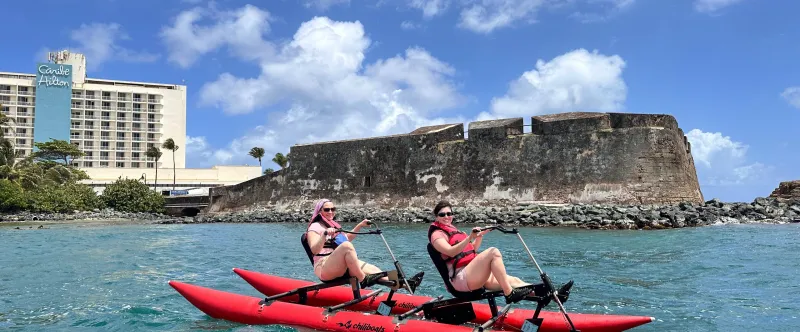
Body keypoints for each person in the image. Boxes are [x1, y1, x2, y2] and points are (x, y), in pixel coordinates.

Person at [428, 200, 573, 304]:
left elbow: (472, 250)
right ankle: (509, 294)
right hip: (461, 279)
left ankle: (554, 296)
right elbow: (451, 252)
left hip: (472, 273)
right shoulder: (437, 234)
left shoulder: (455, 230)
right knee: (493, 252)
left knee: (515, 281)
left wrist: (480, 236)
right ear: (436, 216)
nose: (446, 217)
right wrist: (470, 237)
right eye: (442, 214)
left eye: (449, 213)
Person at [305, 199, 385, 288]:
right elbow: (314, 250)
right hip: (323, 267)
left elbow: (346, 239)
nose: (330, 212)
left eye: (333, 209)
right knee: (347, 246)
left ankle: (397, 285)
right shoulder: (314, 227)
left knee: (375, 270)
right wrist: (324, 234)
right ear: (320, 211)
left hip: (341, 264)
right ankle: (363, 279)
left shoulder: (332, 225)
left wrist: (360, 225)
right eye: (327, 209)